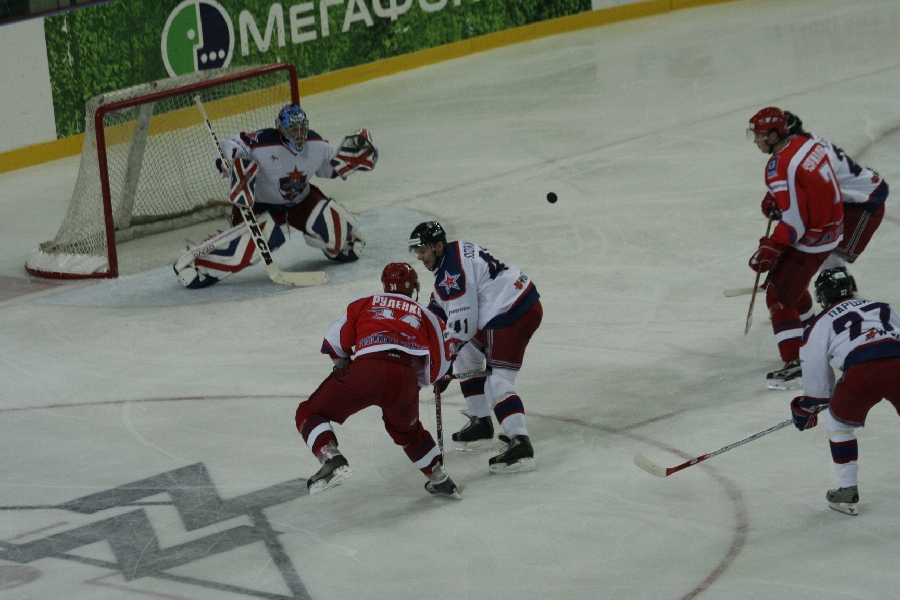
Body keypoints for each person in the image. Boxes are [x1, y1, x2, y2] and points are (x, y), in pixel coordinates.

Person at [294, 262, 461, 499]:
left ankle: (330, 457)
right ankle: (440, 479)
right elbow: (442, 361)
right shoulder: (428, 315)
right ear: (413, 287)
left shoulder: (364, 302)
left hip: (366, 370)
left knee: (309, 412)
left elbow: (333, 343)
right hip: (404, 381)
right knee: (409, 433)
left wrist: (344, 371)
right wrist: (420, 382)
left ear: (384, 284)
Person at [174, 104, 376, 288]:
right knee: (250, 243)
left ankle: (338, 243)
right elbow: (231, 143)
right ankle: (197, 264)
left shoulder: (315, 143)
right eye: (293, 129)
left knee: (344, 243)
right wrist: (231, 160)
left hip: (301, 202)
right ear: (280, 128)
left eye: (302, 128)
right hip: (260, 205)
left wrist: (350, 159)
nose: (299, 134)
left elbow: (327, 168)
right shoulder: (261, 142)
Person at [408, 221, 542, 474]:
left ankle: (521, 445)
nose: (420, 257)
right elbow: (441, 305)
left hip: (513, 313)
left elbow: (463, 328)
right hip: (509, 305)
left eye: (423, 251)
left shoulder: (453, 271)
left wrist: (441, 363)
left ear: (438, 246)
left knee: (498, 382)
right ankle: (482, 423)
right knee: (466, 353)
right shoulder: (453, 254)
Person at [788, 267, 900, 516]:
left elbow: (817, 379)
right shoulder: (881, 306)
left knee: (838, 424)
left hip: (862, 372)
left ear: (822, 295)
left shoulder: (818, 323)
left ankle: (847, 489)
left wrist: (808, 407)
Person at [746, 107, 844, 390]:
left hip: (813, 238)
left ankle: (798, 365)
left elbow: (795, 223)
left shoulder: (779, 167)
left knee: (778, 297)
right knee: (791, 284)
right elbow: (808, 184)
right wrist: (778, 196)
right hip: (831, 227)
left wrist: (772, 247)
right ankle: (814, 340)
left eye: (759, 135)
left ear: (773, 135)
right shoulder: (805, 143)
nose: (756, 141)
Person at [781, 112, 888, 290]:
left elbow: (821, 197)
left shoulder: (811, 157)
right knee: (823, 252)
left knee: (831, 256)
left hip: (864, 202)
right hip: (845, 199)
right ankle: (844, 299)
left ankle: (849, 301)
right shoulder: (804, 146)